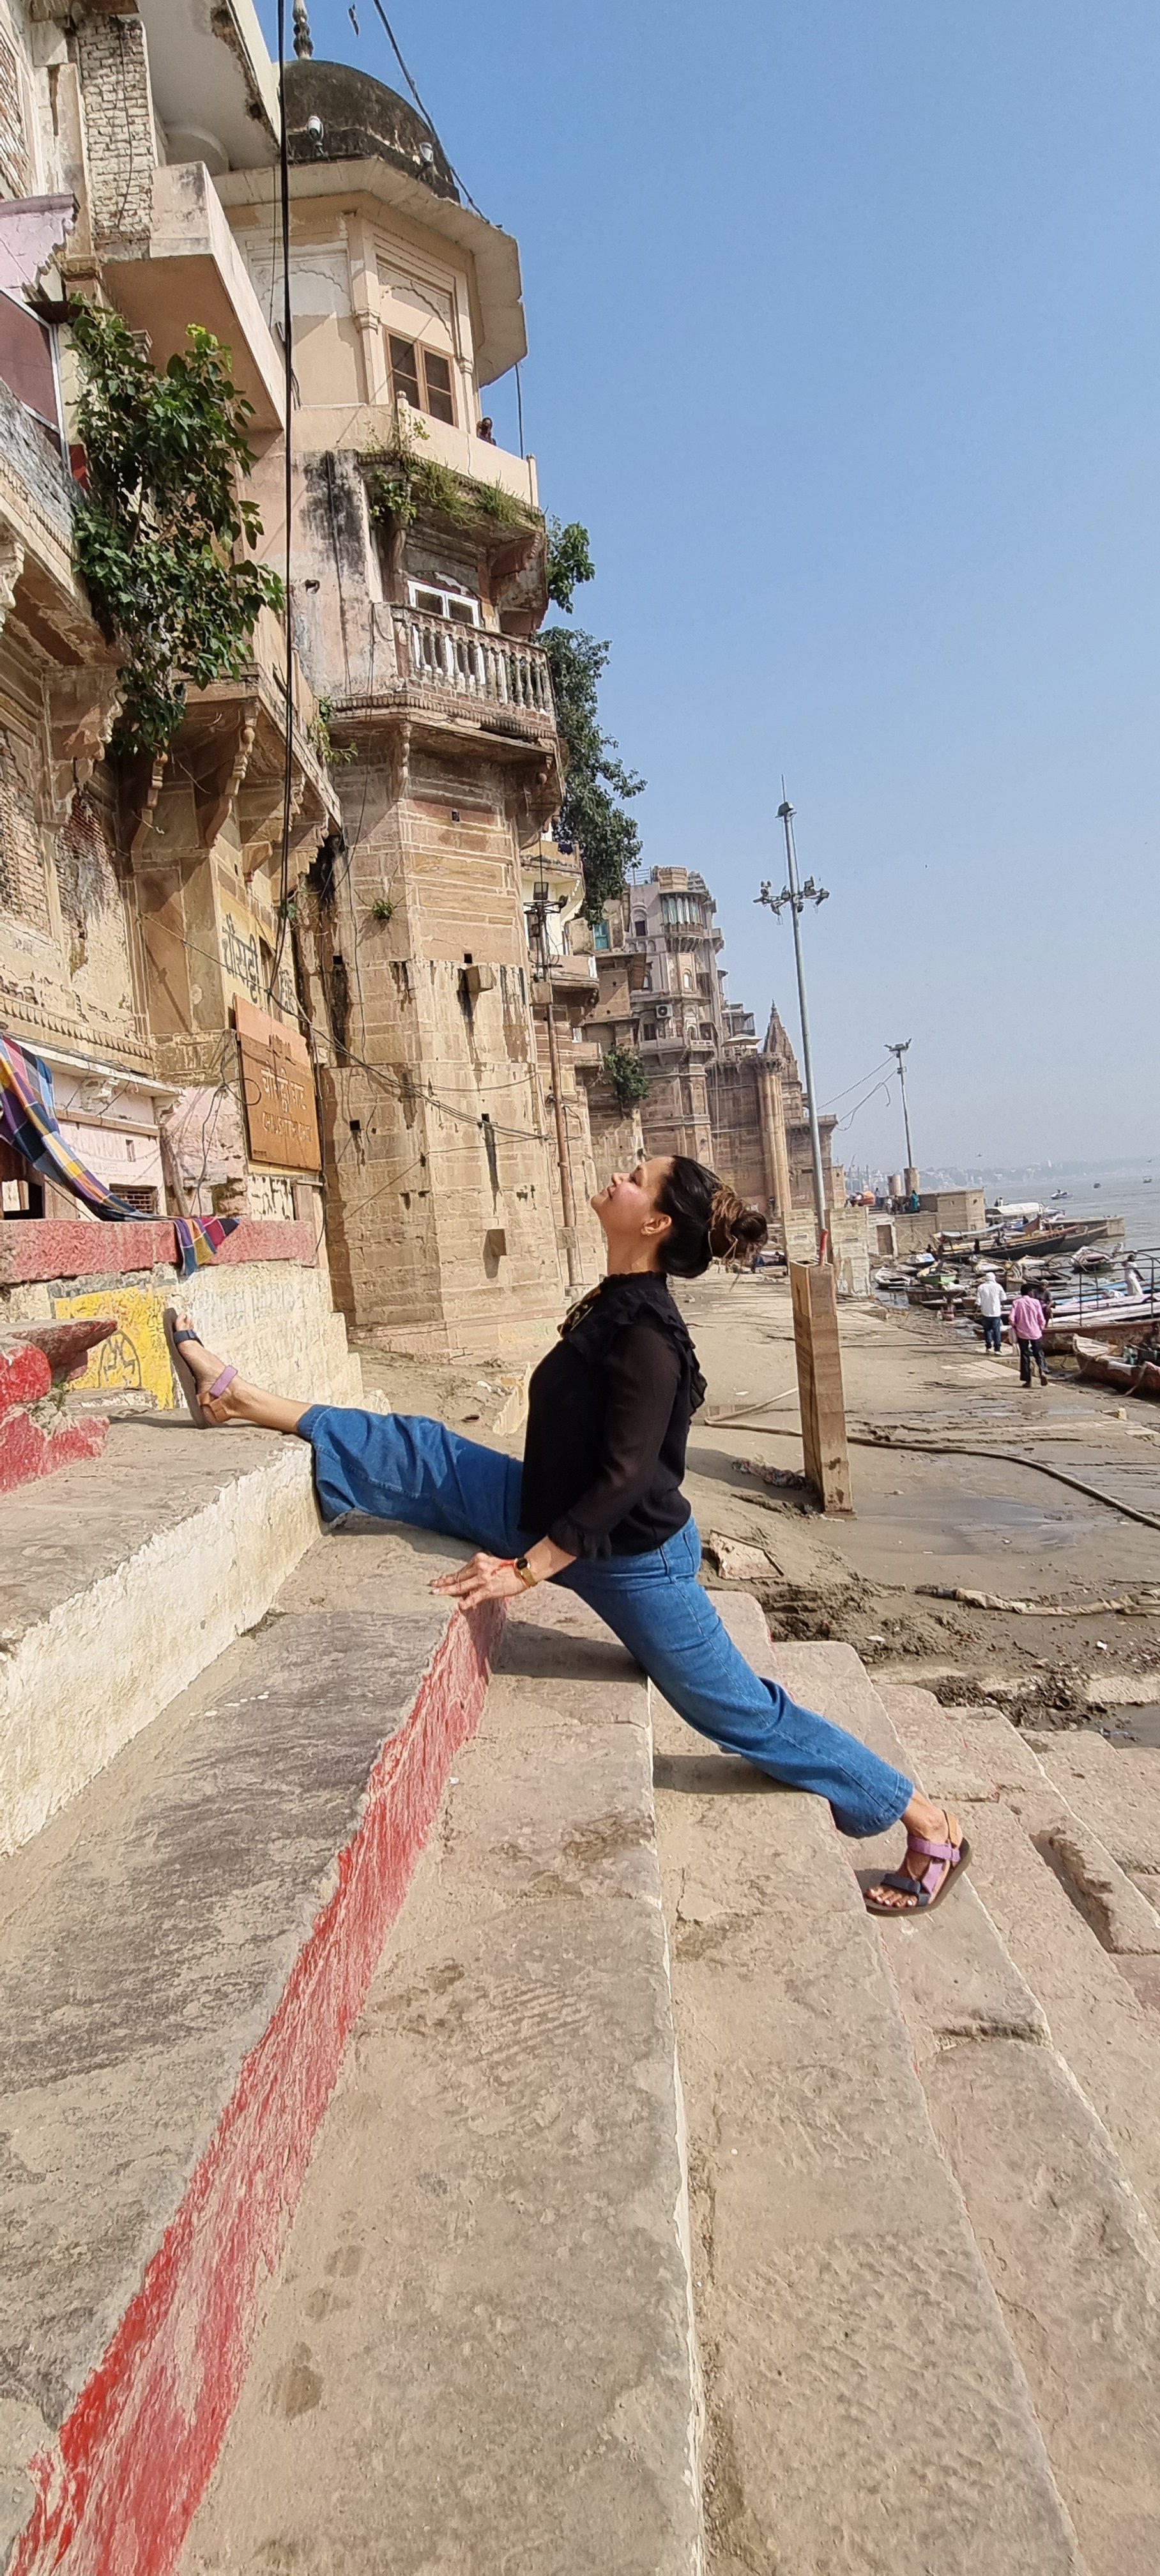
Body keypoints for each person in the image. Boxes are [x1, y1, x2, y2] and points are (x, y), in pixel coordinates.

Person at [165, 1156, 969, 1920]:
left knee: (740, 1714)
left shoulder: (649, 1339)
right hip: (548, 1506)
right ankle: (242, 1401)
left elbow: (622, 1482)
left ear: (653, 1220)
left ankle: (928, 1822)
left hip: (629, 1560)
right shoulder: (618, 1297)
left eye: (637, 1178)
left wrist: (528, 1570)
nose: (618, 1176)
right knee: (423, 1449)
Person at [1010, 1282, 1048, 1386]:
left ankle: (1028, 1380)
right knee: (1039, 1353)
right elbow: (1041, 1318)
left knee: (1025, 1355)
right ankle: (1043, 1371)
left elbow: (1011, 1319)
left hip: (1022, 1333)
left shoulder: (1017, 1302)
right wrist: (1041, 1328)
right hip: (1036, 1332)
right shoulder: (1036, 1303)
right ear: (1030, 1292)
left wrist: (1015, 1326)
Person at [975, 1268, 1005, 1354]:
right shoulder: (998, 1286)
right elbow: (1004, 1298)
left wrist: (976, 1310)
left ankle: (988, 1347)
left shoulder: (981, 1287)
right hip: (996, 1312)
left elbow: (978, 1301)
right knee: (996, 1330)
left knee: (987, 1330)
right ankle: (997, 1349)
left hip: (985, 1312)